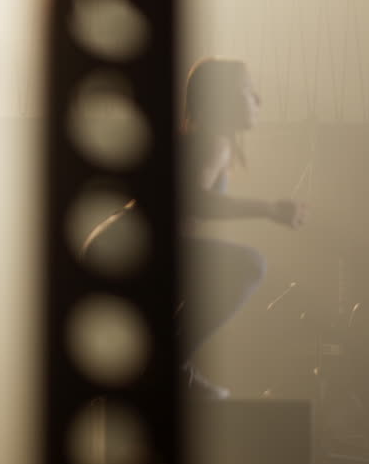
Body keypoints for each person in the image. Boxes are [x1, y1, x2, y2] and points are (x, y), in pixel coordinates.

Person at [81, 57, 307, 397]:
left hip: (121, 244)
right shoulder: (213, 141)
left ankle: (166, 364)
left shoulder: (206, 140)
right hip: (130, 245)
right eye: (247, 90)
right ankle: (171, 364)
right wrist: (269, 209)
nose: (257, 99)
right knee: (248, 266)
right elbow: (194, 200)